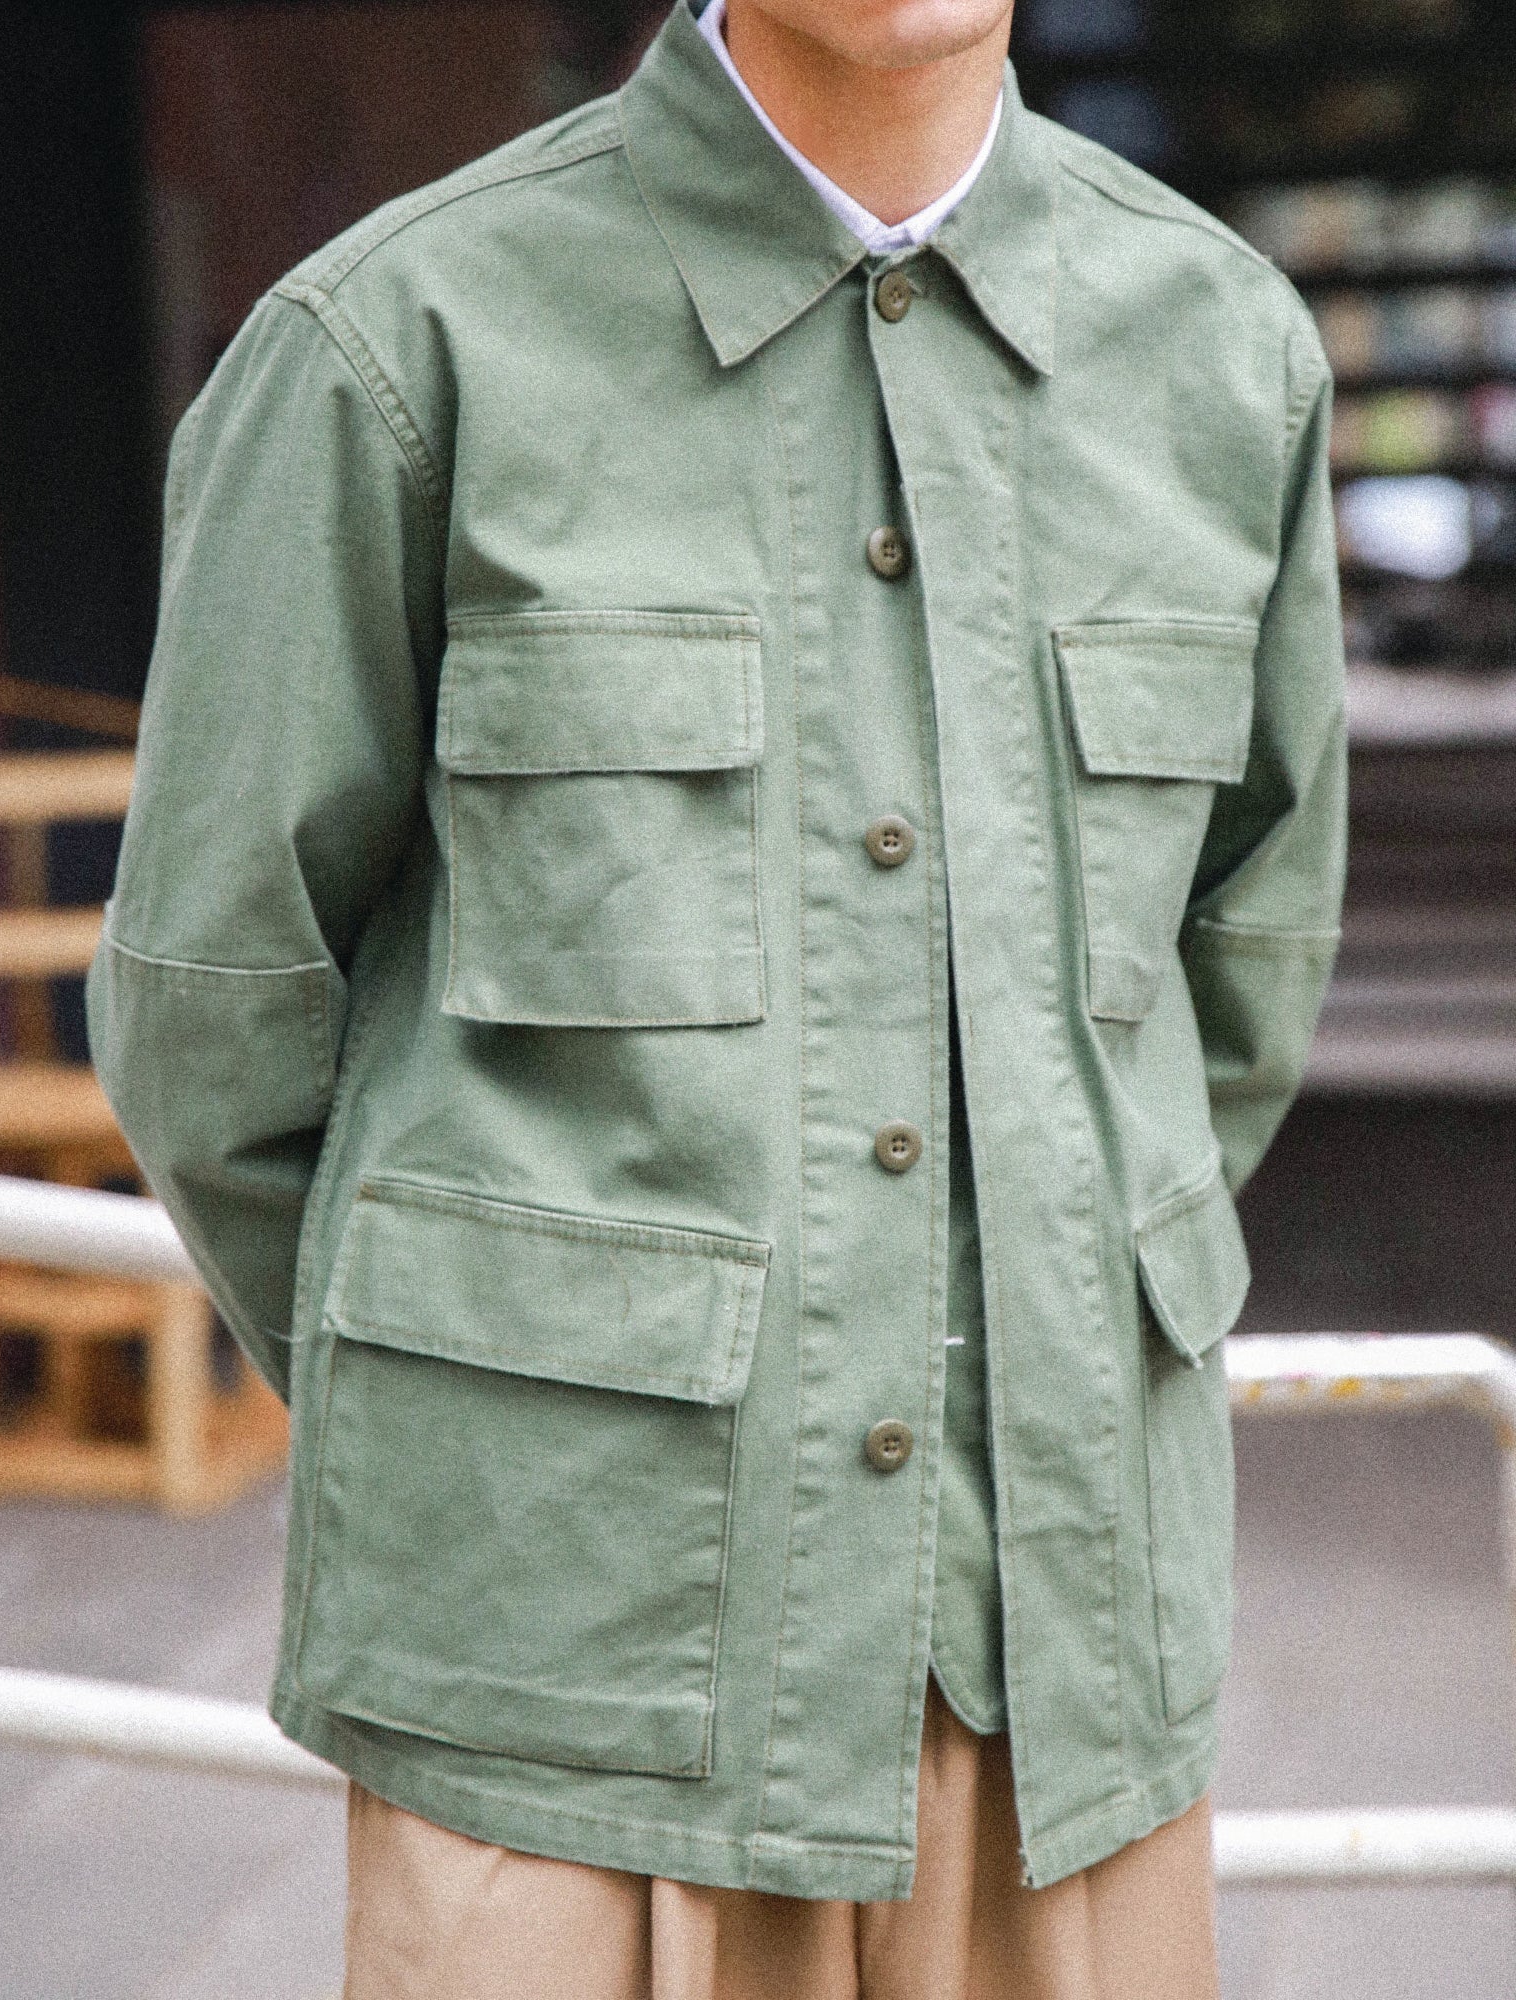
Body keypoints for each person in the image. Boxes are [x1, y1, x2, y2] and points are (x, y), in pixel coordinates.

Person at [89, 1, 1347, 1993]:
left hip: (1055, 1663)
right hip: (559, 1681)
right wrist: (513, 1400)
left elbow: (1234, 987)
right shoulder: (395, 344)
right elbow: (211, 1014)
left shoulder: (1224, 357)